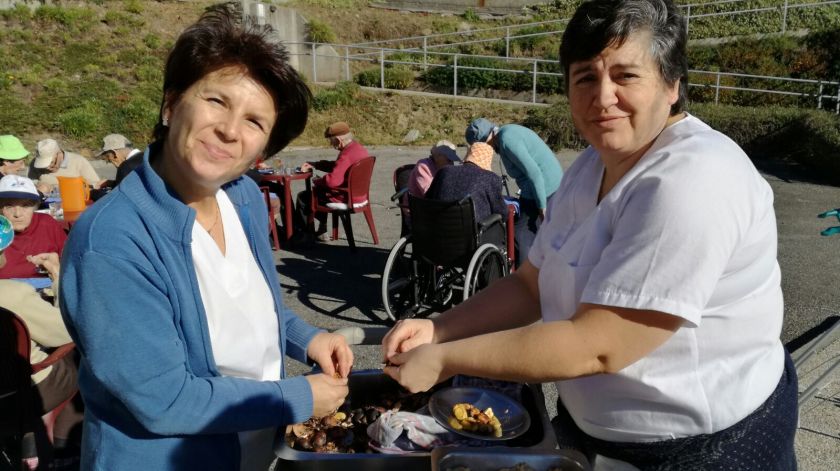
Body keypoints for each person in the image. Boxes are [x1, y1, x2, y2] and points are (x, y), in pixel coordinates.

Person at [381, 0, 797, 469]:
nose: (603, 97)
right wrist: (440, 328)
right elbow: (530, 285)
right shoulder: (590, 167)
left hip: (704, 449)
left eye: (625, 76)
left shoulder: (693, 180)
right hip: (598, 436)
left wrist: (445, 358)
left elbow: (598, 345)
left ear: (672, 85)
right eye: (585, 78)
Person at [58, 6, 353, 470]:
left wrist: (308, 338)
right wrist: (297, 396)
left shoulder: (243, 198)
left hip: (256, 451)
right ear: (172, 104)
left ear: (263, 150)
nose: (230, 130)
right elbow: (164, 399)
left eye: (255, 122)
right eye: (217, 100)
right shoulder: (113, 240)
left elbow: (251, 308)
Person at [0, 215, 84, 461]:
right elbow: (67, 330)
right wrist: (57, 276)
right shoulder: (14, 295)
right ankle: (63, 446)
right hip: (21, 393)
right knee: (83, 357)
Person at [465, 117, 562, 267]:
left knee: (521, 235)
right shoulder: (507, 132)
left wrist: (542, 208)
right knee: (526, 232)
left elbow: (535, 173)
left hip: (545, 190)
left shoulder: (507, 140)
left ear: (485, 140)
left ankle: (525, 276)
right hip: (539, 189)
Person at [294, 121, 370, 240]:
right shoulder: (357, 149)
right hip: (360, 195)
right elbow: (338, 167)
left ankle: (303, 234)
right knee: (320, 191)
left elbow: (332, 182)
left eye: (331, 141)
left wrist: (317, 180)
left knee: (305, 196)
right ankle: (322, 230)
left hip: (345, 197)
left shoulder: (346, 155)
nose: (331, 144)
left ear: (338, 140)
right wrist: (316, 164)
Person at [0, 175, 66, 279]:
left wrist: (58, 267)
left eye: (25, 206)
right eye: (9, 206)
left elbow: (73, 264)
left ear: (35, 207)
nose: (17, 214)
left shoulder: (47, 223)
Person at [426, 142, 507, 224]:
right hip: (475, 229)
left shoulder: (444, 171)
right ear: (488, 159)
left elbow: (427, 199)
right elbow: (502, 213)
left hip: (438, 227)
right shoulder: (491, 178)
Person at [28, 138, 105, 193]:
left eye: (51, 163)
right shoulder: (35, 165)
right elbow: (30, 186)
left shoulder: (78, 161)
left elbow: (96, 186)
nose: (47, 168)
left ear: (59, 154)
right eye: (43, 165)